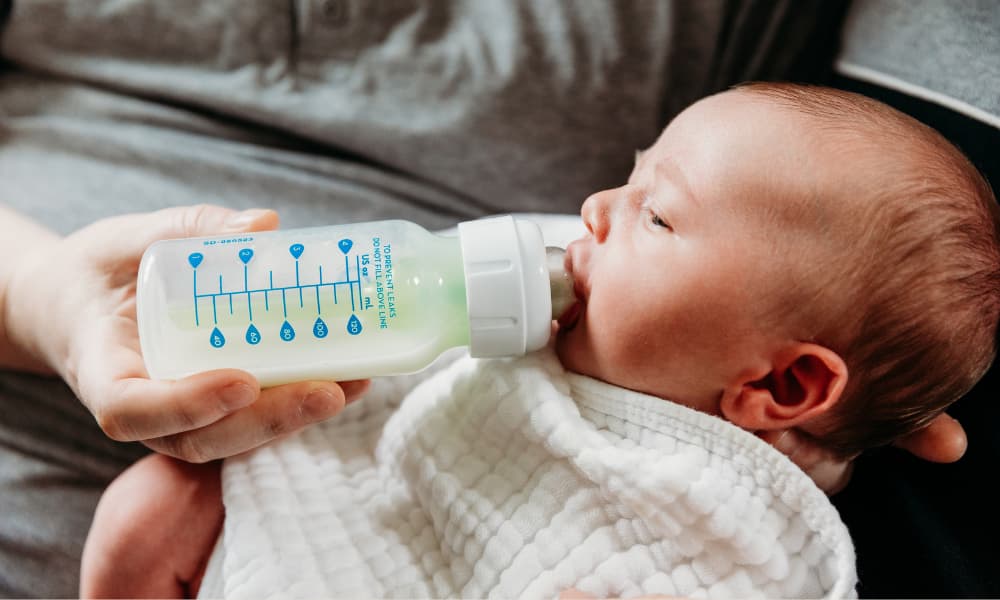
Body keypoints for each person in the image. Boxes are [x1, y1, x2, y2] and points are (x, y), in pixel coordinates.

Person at [0, 1, 981, 597]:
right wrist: (46, 296)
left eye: (658, 217)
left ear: (785, 382)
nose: (594, 209)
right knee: (148, 503)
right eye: (627, 176)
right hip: (256, 530)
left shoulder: (731, 515)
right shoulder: (509, 309)